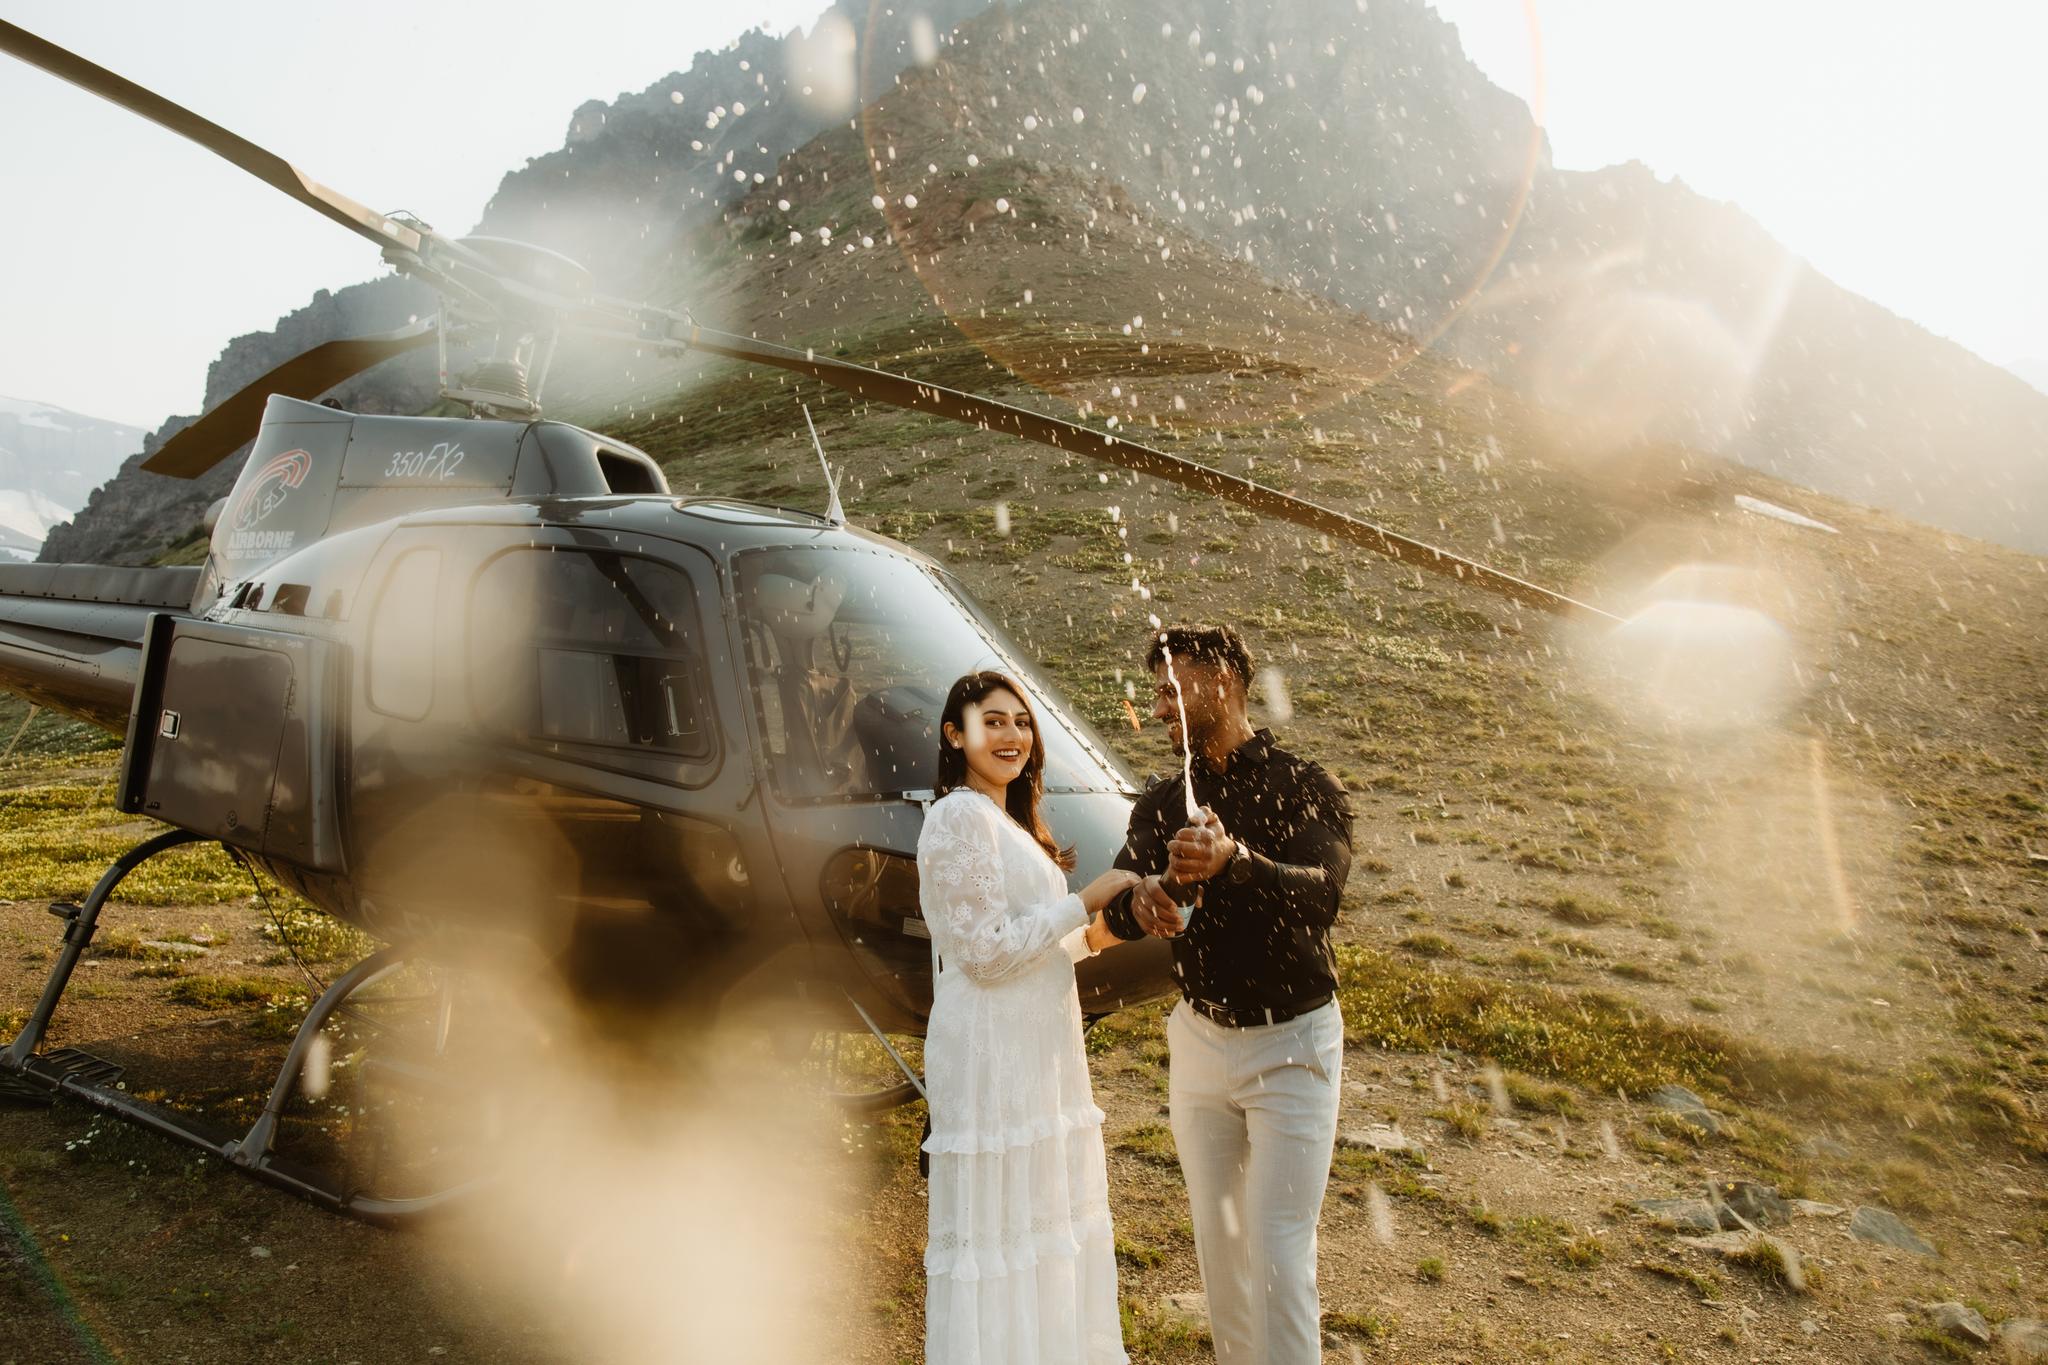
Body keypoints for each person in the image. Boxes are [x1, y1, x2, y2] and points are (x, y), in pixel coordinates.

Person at [1101, 624, 1355, 1365]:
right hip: (1200, 1041)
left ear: (1224, 680)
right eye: (1154, 692)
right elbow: (1119, 901)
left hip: (1293, 1043)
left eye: (1171, 687)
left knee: (1277, 1257)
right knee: (1220, 1247)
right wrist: (1145, 900)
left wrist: (1236, 861)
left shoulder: (1306, 785)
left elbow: (1323, 895)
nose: (1159, 707)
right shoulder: (1159, 803)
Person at [916, 670, 1137, 1365]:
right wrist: (1083, 899)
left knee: (1035, 1227)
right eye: (993, 720)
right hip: (989, 1052)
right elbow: (982, 952)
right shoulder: (956, 816)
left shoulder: (1009, 821)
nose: (1012, 734)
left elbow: (1028, 946)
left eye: (1021, 721)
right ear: (956, 734)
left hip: (1035, 1047)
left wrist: (1100, 931)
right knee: (998, 1231)